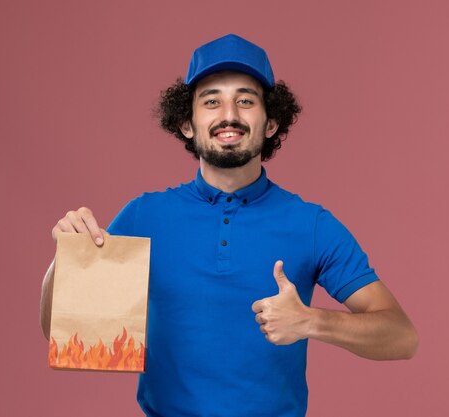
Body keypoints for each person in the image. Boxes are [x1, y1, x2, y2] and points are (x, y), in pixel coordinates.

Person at [40, 34, 418, 417]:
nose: (229, 115)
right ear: (187, 123)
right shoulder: (144, 216)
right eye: (211, 101)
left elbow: (402, 337)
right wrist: (66, 260)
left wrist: (312, 321)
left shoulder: (312, 224)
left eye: (245, 100)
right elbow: (64, 330)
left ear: (270, 122)